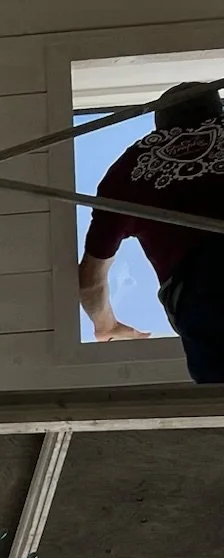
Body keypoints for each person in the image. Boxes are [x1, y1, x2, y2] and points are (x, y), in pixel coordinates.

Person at [79, 82, 224, 383]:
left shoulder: (130, 167)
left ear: (159, 121)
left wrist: (106, 326)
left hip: (209, 293)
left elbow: (91, 280)